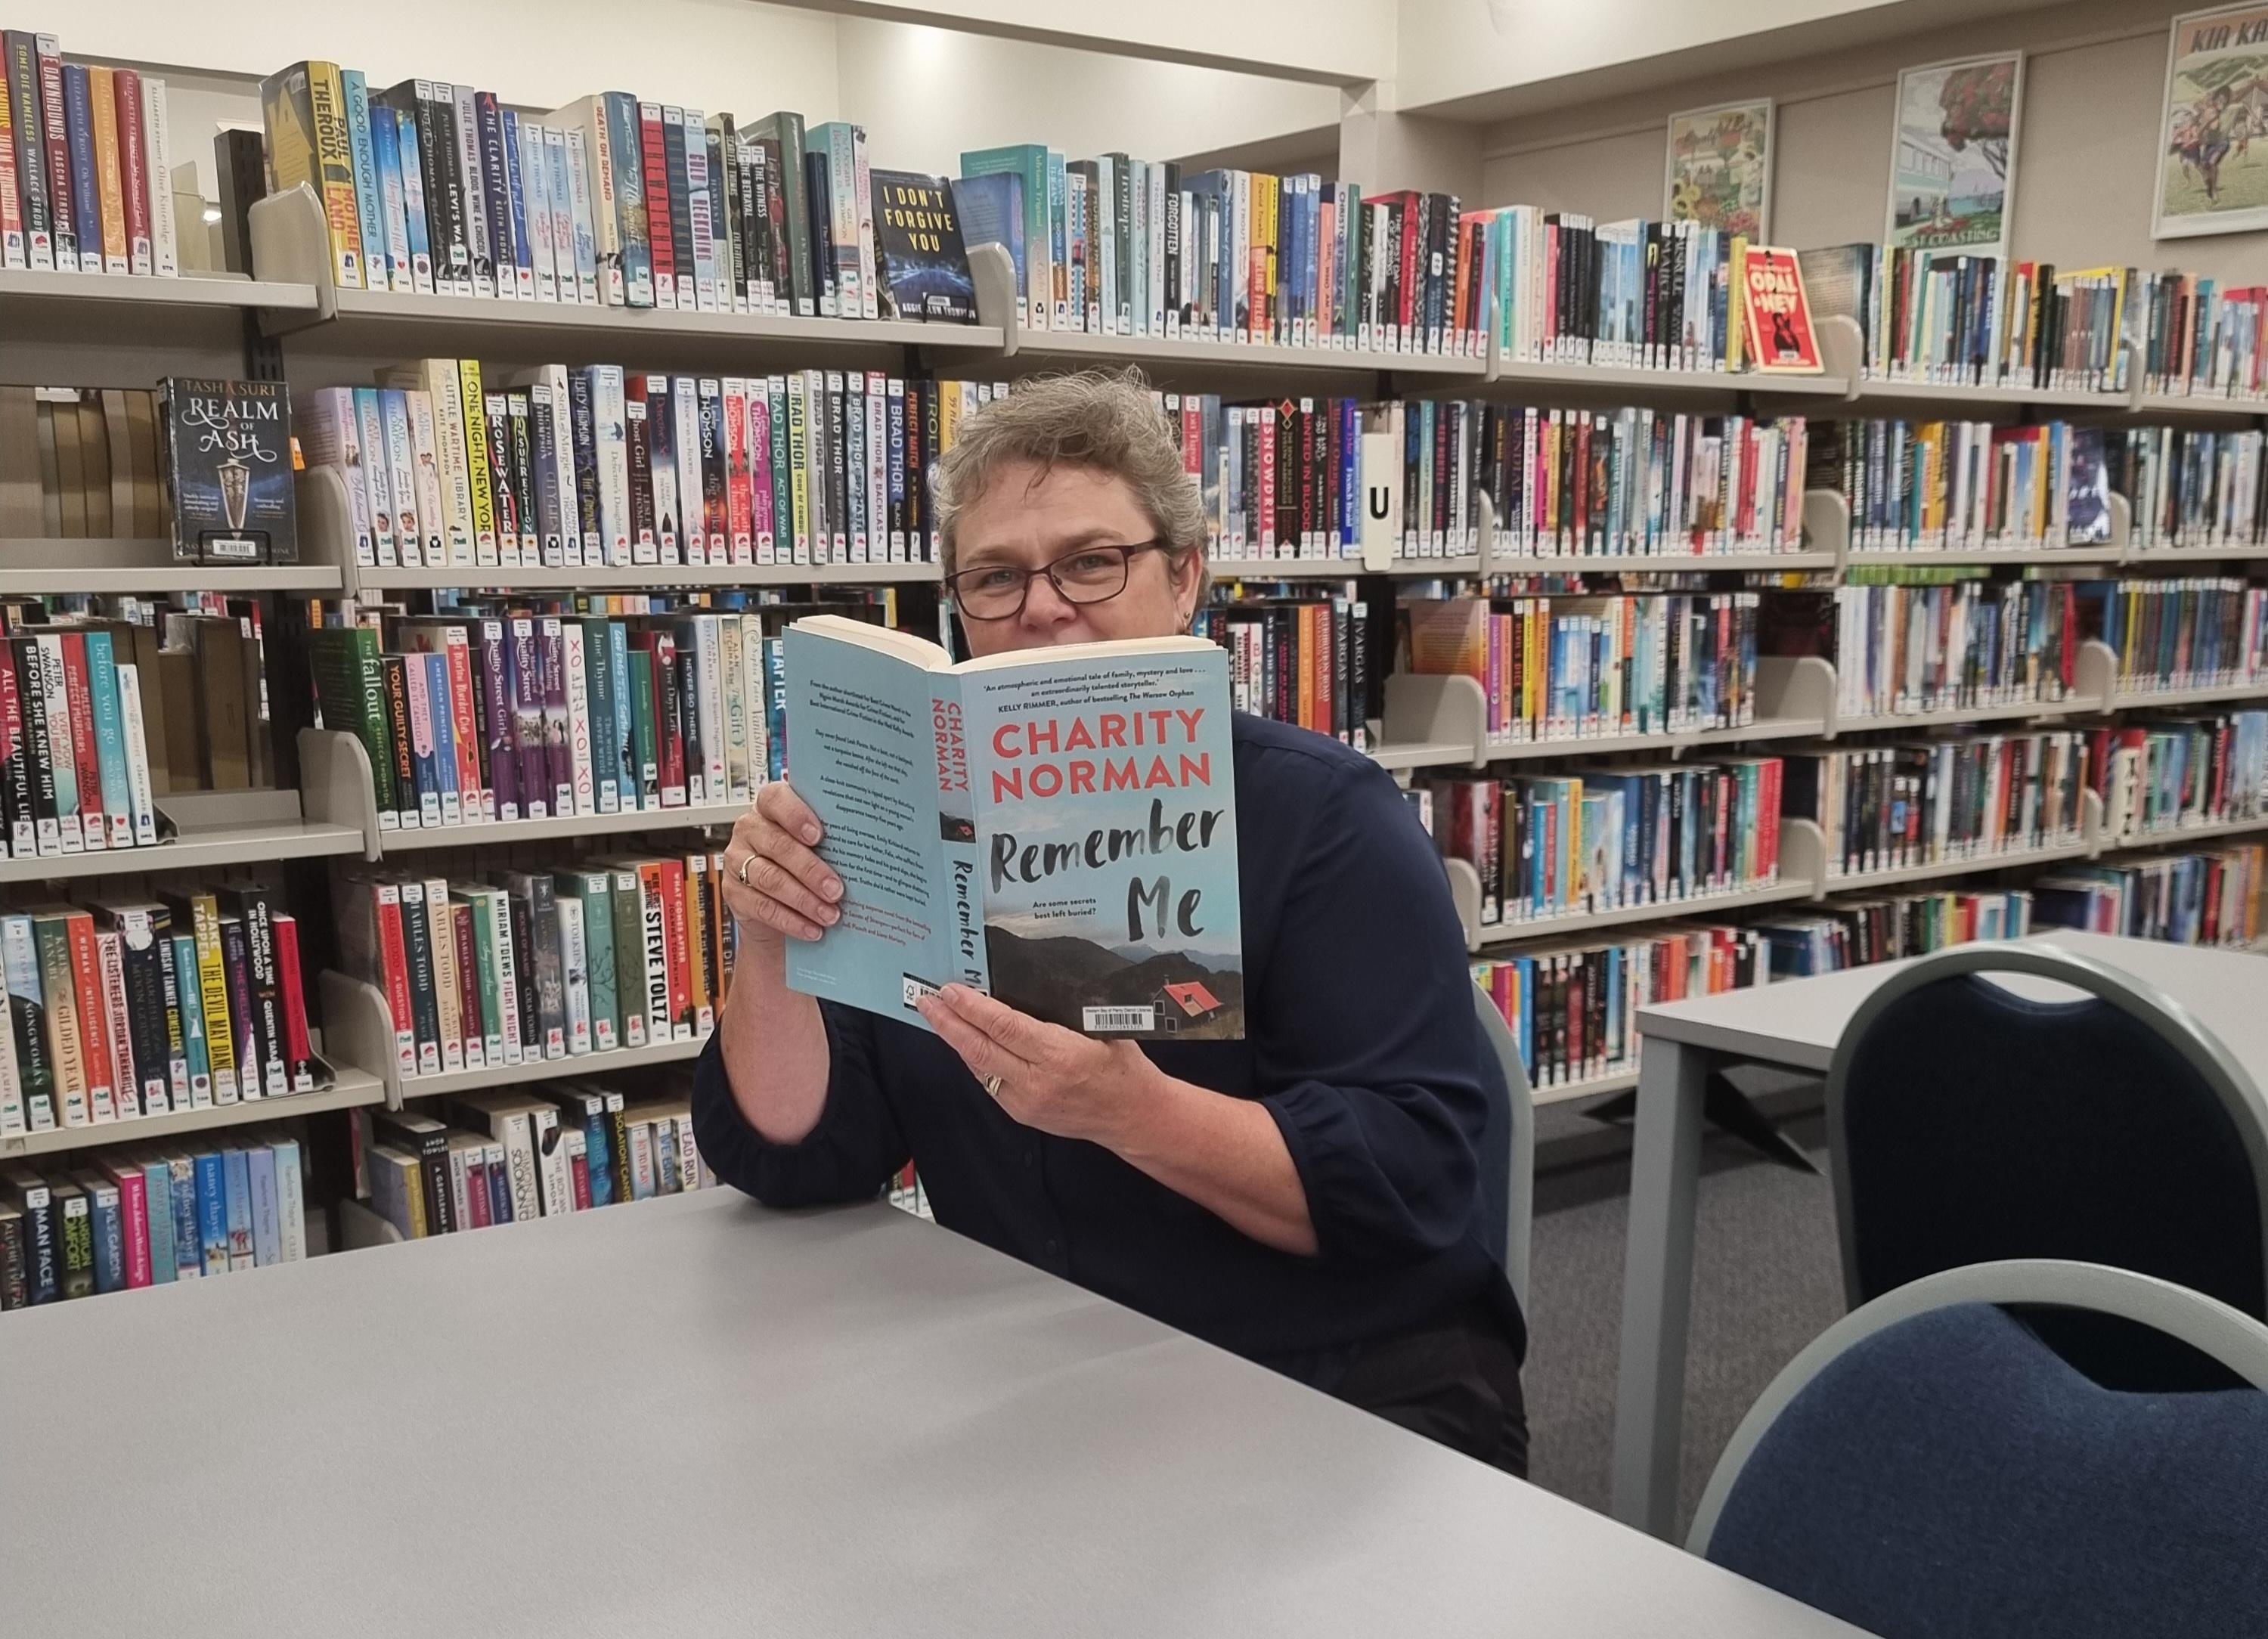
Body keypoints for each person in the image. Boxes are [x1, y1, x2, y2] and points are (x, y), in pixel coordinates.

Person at [694, 370, 1528, 1474]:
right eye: (995, 576)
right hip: (1049, 1368)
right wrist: (768, 931)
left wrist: (1134, 1113)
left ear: (1184, 579)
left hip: (1341, 1376)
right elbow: (798, 1152)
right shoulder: (915, 819)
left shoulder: (1328, 820)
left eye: (1092, 560)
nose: (1043, 606)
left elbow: (1415, 1189)